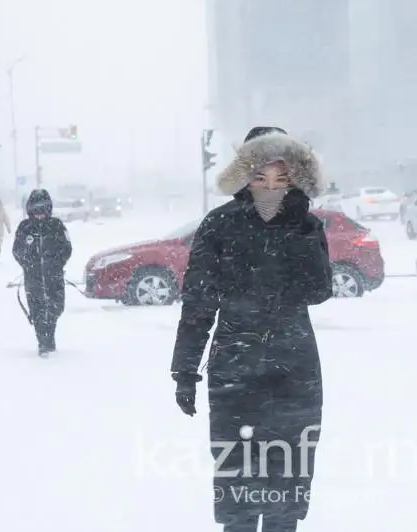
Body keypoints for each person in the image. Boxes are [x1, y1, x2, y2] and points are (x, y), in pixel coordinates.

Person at [170, 127, 332, 532]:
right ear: (245, 176)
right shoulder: (220, 225)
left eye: (282, 179)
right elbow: (198, 302)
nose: (271, 188)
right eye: (261, 178)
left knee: (289, 474)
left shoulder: (307, 225)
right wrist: (185, 369)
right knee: (236, 472)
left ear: (295, 179)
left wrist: (300, 233)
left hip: (294, 367)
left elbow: (318, 291)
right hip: (235, 367)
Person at [12, 189, 72, 356]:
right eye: (35, 210)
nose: (39, 215)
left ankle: (49, 337)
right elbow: (17, 250)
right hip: (33, 279)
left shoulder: (57, 226)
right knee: (37, 311)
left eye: (42, 210)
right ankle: (43, 343)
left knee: (56, 308)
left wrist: (56, 263)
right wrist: (28, 265)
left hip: (55, 277)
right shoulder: (24, 228)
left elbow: (67, 248)